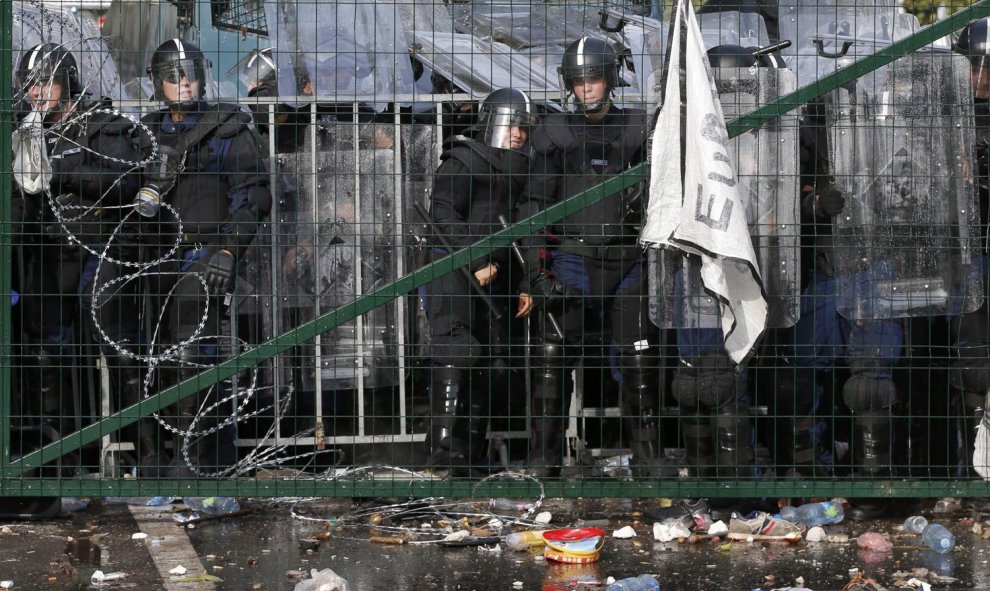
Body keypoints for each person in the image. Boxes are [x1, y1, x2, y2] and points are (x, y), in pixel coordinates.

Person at [515, 37, 665, 478]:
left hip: (628, 258)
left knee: (640, 361)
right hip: (572, 259)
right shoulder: (553, 133)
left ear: (610, 79)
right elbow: (533, 206)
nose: (586, 89)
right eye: (578, 81)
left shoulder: (640, 128)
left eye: (593, 78)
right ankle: (544, 459)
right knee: (551, 355)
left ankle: (649, 458)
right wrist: (534, 269)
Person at [134, 38, 272, 476]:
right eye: (174, 75)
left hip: (205, 254)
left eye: (191, 72)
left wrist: (229, 249)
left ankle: (196, 458)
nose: (185, 82)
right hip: (153, 258)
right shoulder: (145, 132)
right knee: (144, 354)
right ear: (159, 82)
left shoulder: (227, 126)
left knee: (193, 354)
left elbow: (252, 195)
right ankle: (153, 457)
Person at [12, 43, 143, 470]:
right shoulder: (23, 133)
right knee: (45, 351)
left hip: (96, 249)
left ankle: (135, 453)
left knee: (110, 344)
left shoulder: (102, 123)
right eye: (30, 86)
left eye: (45, 83)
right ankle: (60, 458)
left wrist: (63, 172)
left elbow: (125, 181)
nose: (37, 94)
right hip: (47, 256)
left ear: (67, 82)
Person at [422, 87, 537, 473]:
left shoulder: (520, 170)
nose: (517, 134)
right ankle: (445, 453)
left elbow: (520, 232)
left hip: (497, 277)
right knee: (458, 350)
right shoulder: (463, 162)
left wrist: (524, 282)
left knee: (488, 360)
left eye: (523, 127)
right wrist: (474, 260)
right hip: (453, 270)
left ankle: (470, 453)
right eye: (511, 125)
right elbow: (443, 214)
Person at [950, 18, 990, 477]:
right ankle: (968, 472)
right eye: (974, 67)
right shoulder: (943, 111)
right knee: (972, 369)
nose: (981, 77)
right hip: (962, 257)